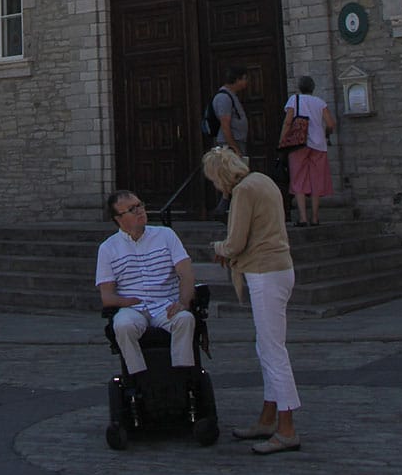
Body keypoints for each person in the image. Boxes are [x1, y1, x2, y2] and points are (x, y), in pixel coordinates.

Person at [203, 147, 300, 454]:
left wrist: (217, 247)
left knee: (273, 351)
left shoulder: (244, 192)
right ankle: (268, 417)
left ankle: (287, 428)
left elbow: (235, 242)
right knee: (266, 346)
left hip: (263, 271)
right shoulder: (263, 180)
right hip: (280, 267)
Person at [95, 190, 196, 387]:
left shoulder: (166, 235)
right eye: (132, 209)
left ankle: (182, 379)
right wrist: (128, 302)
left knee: (185, 319)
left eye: (140, 205)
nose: (140, 211)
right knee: (122, 325)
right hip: (133, 307)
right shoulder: (108, 248)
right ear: (119, 219)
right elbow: (107, 296)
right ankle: (138, 380)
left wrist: (183, 302)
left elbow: (186, 273)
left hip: (165, 304)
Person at [279, 76, 336, 227]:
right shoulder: (320, 102)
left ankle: (303, 217)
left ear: (299, 87)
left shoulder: (294, 100)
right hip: (319, 144)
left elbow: (287, 121)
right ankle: (315, 217)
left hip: (299, 143)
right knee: (317, 179)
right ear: (313, 88)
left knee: (298, 178)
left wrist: (282, 140)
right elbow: (330, 123)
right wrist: (327, 133)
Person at [211, 66, 249, 157]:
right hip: (228, 145)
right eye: (244, 78)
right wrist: (235, 148)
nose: (246, 82)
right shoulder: (224, 98)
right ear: (236, 79)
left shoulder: (232, 95)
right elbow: (225, 126)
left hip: (236, 141)